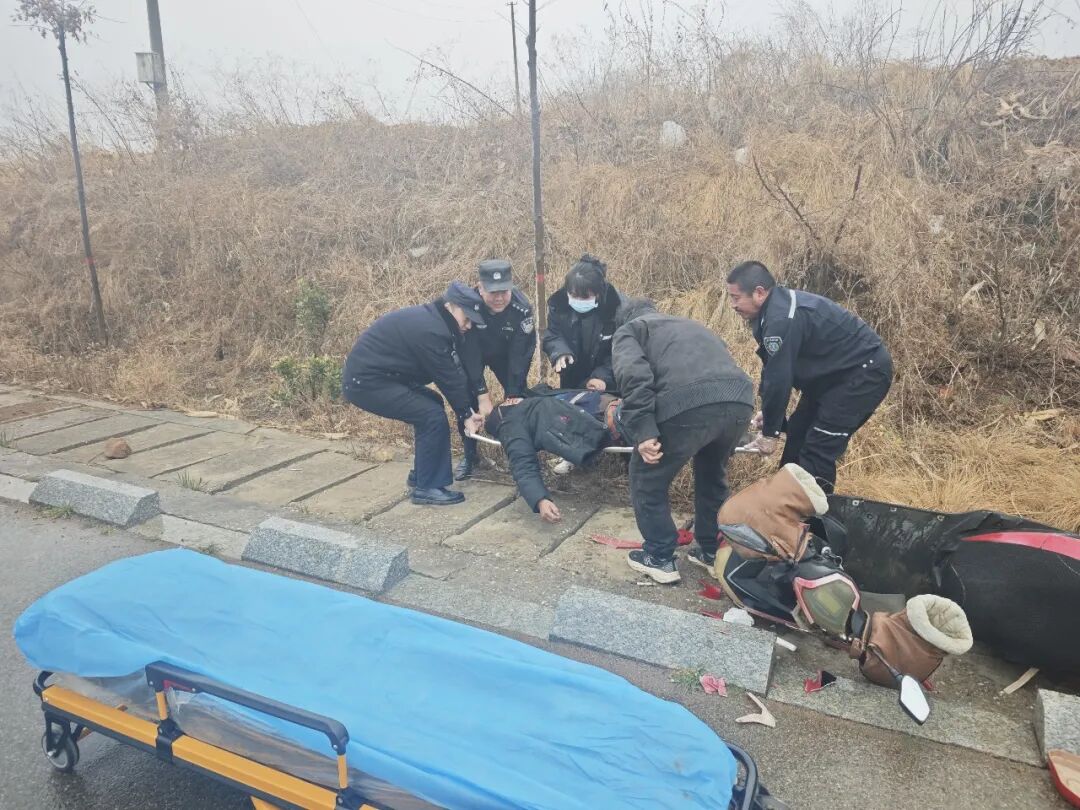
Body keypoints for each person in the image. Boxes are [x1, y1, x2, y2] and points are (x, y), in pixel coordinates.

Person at [612, 298, 755, 584]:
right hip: (740, 400)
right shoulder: (690, 325)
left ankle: (659, 556)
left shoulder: (630, 330)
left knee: (647, 476)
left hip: (688, 403)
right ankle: (711, 551)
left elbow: (634, 377)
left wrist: (644, 431)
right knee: (712, 475)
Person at [725, 260, 893, 494]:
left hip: (863, 373)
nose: (733, 305)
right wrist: (771, 415)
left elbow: (779, 378)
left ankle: (816, 514)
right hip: (830, 377)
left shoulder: (781, 318)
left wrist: (770, 434)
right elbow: (773, 367)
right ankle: (785, 503)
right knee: (798, 433)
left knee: (818, 447)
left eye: (736, 298)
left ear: (759, 293)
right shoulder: (769, 313)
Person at [342, 282, 486, 506]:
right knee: (430, 415)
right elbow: (447, 377)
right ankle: (427, 487)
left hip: (382, 378)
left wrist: (465, 410)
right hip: (367, 383)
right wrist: (466, 414)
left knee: (431, 402)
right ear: (450, 307)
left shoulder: (435, 320)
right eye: (466, 319)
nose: (468, 325)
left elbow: (451, 373)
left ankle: (422, 475)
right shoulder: (432, 330)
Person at [483, 389, 616, 523]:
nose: (510, 399)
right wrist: (540, 500)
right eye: (505, 403)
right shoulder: (510, 425)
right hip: (602, 418)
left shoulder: (534, 396)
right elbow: (523, 465)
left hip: (600, 400)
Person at [456, 259, 536, 481]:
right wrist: (482, 394)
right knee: (467, 396)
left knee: (518, 399)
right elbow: (469, 353)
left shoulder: (522, 308)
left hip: (506, 354)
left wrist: (513, 391)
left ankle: (521, 452)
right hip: (475, 352)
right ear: (480, 288)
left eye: (504, 292)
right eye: (493, 292)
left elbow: (521, 354)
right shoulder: (469, 305)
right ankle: (470, 455)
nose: (499, 298)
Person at [542, 254, 626, 392]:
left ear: (598, 293)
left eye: (585, 297)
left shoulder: (616, 309)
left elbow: (622, 351)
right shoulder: (559, 305)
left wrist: (602, 377)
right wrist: (560, 352)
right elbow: (553, 334)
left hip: (608, 381)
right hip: (571, 379)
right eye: (574, 295)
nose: (579, 301)